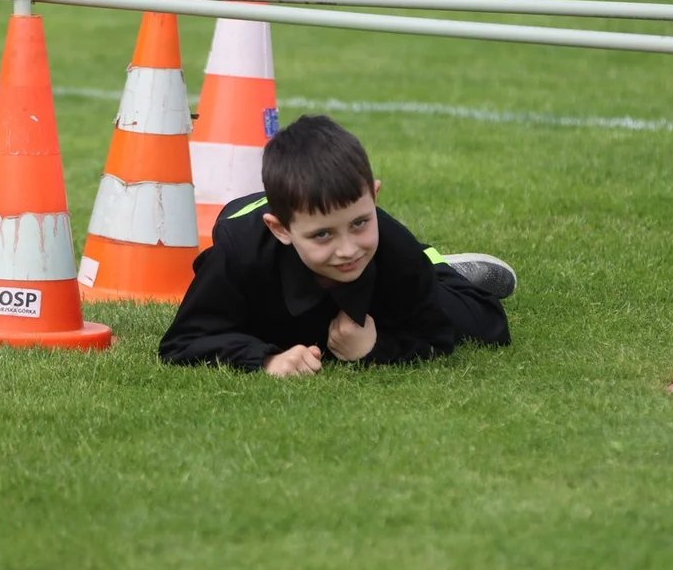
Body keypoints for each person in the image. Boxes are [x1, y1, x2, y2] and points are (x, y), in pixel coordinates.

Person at [157, 114, 516, 378]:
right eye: (322, 235)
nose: (347, 249)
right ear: (281, 230)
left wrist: (375, 348)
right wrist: (266, 360)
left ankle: (439, 266)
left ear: (373, 197)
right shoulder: (238, 257)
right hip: (250, 218)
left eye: (360, 223)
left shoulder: (391, 248)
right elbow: (183, 342)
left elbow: (467, 330)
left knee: (468, 318)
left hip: (393, 255)